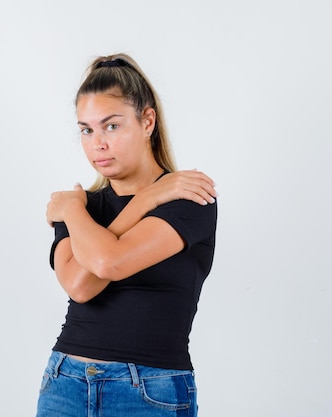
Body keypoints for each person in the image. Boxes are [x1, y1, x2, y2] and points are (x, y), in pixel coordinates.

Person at [36, 53, 218, 417]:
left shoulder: (187, 197)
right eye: (86, 129)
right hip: (64, 382)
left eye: (111, 126)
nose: (97, 143)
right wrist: (138, 201)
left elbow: (109, 261)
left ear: (147, 120)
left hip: (149, 389)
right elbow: (80, 285)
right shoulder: (80, 205)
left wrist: (74, 211)